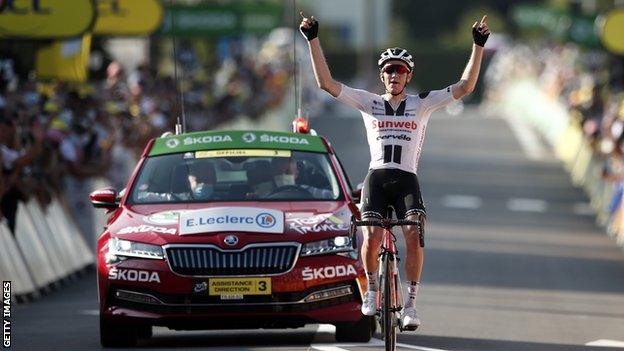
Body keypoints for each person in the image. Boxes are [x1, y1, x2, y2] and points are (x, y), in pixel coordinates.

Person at [299, 12, 490, 329]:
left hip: (406, 180)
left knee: (414, 236)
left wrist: (478, 45)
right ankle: (371, 290)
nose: (393, 76)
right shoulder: (368, 101)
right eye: (388, 71)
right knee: (371, 235)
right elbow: (326, 84)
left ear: (409, 76)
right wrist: (313, 39)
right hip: (377, 178)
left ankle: (411, 304)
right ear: (382, 76)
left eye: (399, 72)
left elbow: (466, 86)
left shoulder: (422, 103)